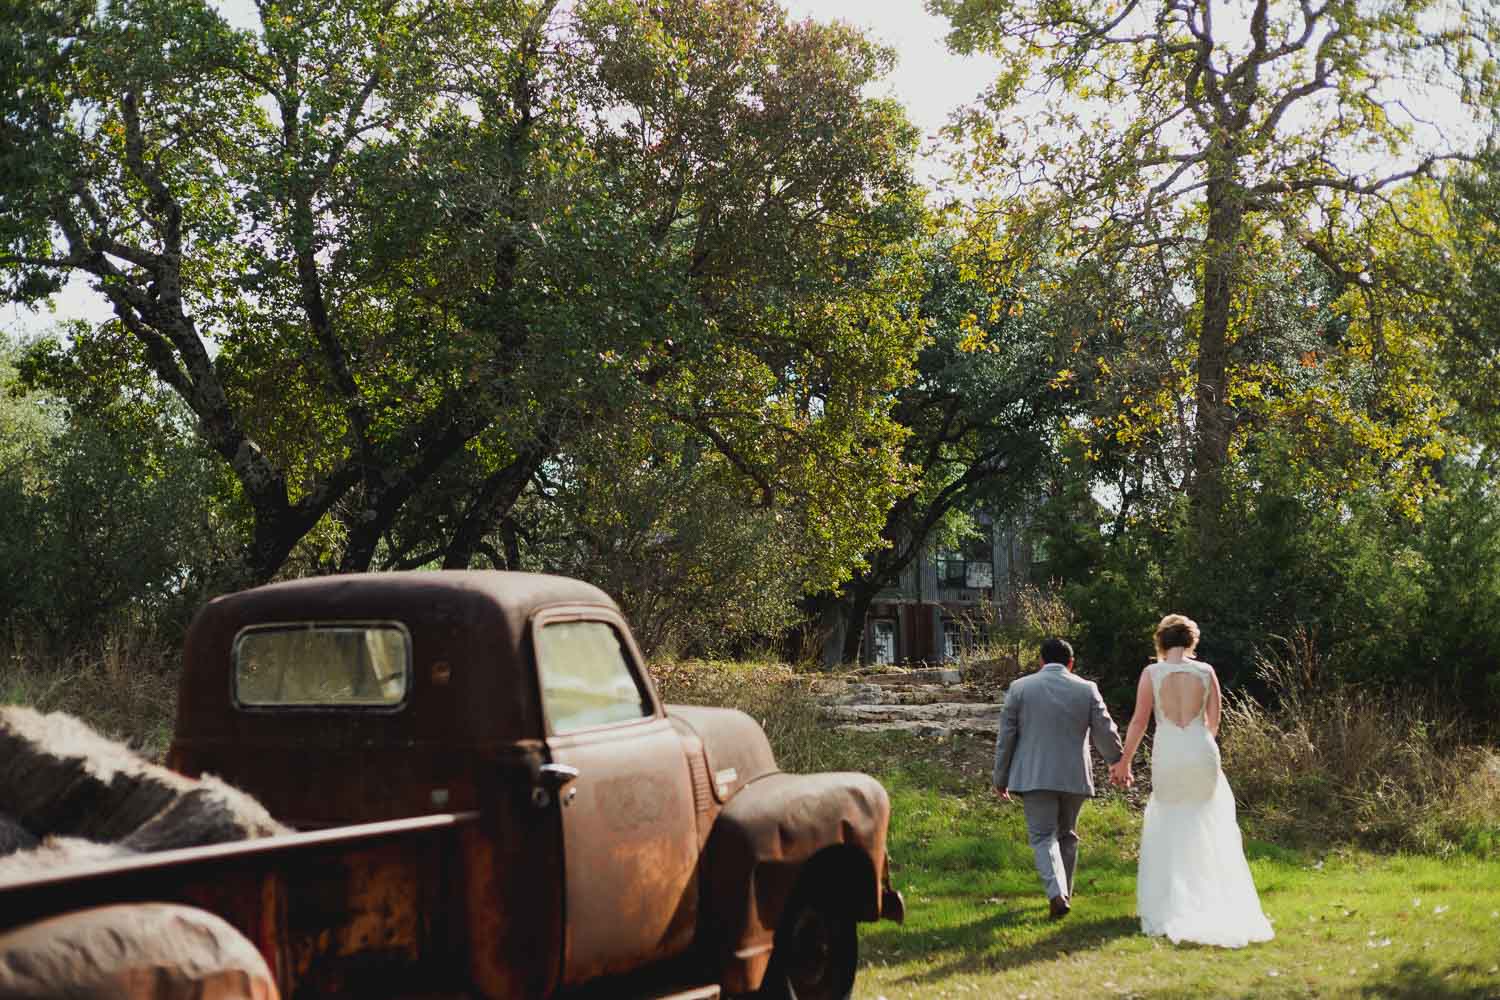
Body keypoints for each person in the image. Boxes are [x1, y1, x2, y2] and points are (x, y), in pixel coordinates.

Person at [1109, 614, 1274, 947]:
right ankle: (1213, 898)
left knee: (1169, 822)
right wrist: (1198, 741)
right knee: (1209, 821)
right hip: (1200, 749)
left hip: (1168, 750)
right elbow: (1214, 721)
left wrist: (1124, 761)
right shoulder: (1206, 672)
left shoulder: (1151, 673)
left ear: (1161, 640)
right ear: (1191, 641)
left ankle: (1170, 903)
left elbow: (1140, 721)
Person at [992, 637, 1125, 919]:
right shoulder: (1087, 689)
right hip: (1074, 775)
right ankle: (1066, 893)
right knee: (1067, 835)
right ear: (1071, 663)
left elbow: (1007, 737)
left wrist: (1000, 778)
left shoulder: (1020, 688)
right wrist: (1117, 761)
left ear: (1040, 661)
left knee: (1042, 837)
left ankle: (1057, 894)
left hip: (1034, 775)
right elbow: (1105, 729)